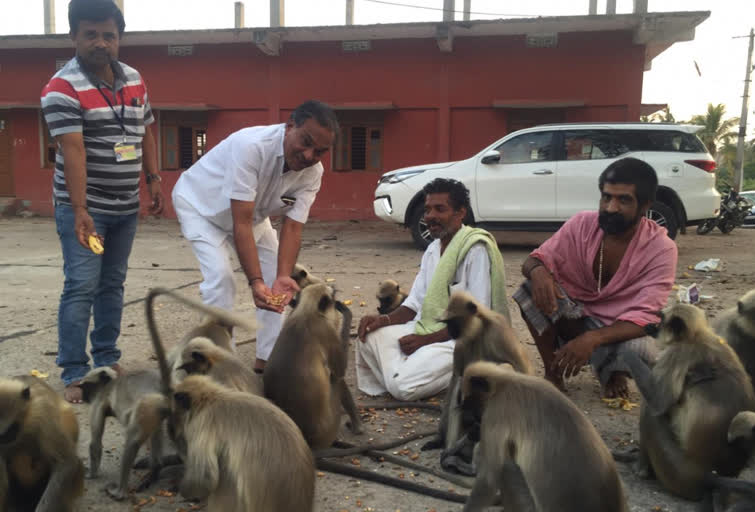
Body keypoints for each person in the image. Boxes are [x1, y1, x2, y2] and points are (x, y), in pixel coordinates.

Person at [41, 0, 163, 403]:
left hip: (126, 206)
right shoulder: (61, 88)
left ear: (119, 38)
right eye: (90, 34)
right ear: (73, 36)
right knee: (80, 286)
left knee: (112, 284)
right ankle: (75, 371)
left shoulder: (134, 78)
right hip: (86, 210)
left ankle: (107, 359)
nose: (100, 43)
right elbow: (72, 150)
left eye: (109, 35)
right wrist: (79, 210)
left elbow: (146, 130)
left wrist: (154, 179)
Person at [172, 100, 337, 371]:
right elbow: (242, 222)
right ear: (289, 126)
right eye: (305, 142)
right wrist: (255, 281)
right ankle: (220, 365)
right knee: (221, 279)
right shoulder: (251, 146)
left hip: (253, 217)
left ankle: (267, 362)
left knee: (277, 283)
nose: (309, 155)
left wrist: (282, 276)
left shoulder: (313, 173)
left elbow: (293, 227)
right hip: (201, 208)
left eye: (319, 151)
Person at [513, 157, 677, 399]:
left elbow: (648, 318)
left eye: (624, 200)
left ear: (645, 206)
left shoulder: (661, 248)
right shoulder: (581, 224)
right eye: (606, 197)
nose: (611, 208)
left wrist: (592, 338)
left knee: (641, 349)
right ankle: (553, 373)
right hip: (575, 315)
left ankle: (613, 372)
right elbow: (534, 260)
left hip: (616, 326)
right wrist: (539, 272)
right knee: (530, 289)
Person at [356, 178, 508, 401]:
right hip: (426, 327)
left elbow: (476, 320)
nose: (430, 216)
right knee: (368, 338)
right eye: (427, 210)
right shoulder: (433, 249)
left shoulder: (475, 250)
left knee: (402, 386)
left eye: (440, 209)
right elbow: (414, 304)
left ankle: (430, 376)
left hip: (462, 340)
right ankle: (411, 374)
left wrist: (425, 342)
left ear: (460, 213)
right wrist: (383, 321)